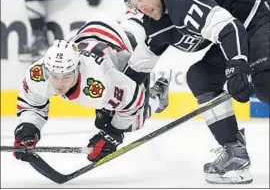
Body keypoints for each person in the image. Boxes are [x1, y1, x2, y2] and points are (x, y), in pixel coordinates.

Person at [121, 0, 269, 184]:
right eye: (135, 4)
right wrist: (112, 113)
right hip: (241, 26)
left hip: (260, 6)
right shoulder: (157, 22)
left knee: (265, 83)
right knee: (202, 77)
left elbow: (230, 28)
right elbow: (136, 69)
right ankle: (235, 154)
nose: (140, 6)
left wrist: (237, 64)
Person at [13, 15, 170, 164]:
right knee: (104, 117)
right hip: (93, 33)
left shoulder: (100, 81)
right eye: (54, 76)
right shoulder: (38, 73)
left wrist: (113, 133)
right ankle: (131, 18)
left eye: (66, 76)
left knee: (131, 121)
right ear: (46, 70)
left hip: (125, 43)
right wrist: (28, 127)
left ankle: (157, 94)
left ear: (77, 69)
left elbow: (135, 101)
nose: (59, 84)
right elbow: (31, 102)